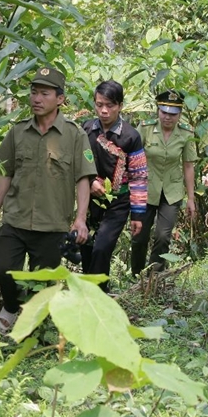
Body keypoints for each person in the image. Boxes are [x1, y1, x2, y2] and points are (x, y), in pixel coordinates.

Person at [0, 66, 96, 333]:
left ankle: (35, 325)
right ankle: (11, 307)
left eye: (44, 93)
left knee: (42, 281)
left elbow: (84, 177)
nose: (36, 98)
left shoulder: (74, 135)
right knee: (3, 269)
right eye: (34, 92)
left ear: (59, 99)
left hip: (52, 224)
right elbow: (4, 173)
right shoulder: (17, 132)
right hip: (16, 219)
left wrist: (81, 218)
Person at [80, 80, 147, 291]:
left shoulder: (131, 136)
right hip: (88, 199)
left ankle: (97, 294)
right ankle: (93, 292)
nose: (104, 110)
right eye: (99, 105)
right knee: (87, 247)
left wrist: (137, 215)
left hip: (118, 202)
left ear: (120, 105)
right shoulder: (87, 129)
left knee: (102, 247)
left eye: (110, 105)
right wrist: (89, 182)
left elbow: (138, 176)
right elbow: (78, 162)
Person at [131, 90, 197, 275]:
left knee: (163, 236)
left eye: (173, 114)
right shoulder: (145, 128)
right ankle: (136, 275)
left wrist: (191, 198)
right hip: (145, 189)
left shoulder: (186, 133)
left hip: (172, 190)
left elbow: (188, 165)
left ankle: (155, 276)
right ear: (158, 110)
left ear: (179, 114)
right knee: (139, 236)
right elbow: (133, 157)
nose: (168, 117)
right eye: (164, 112)